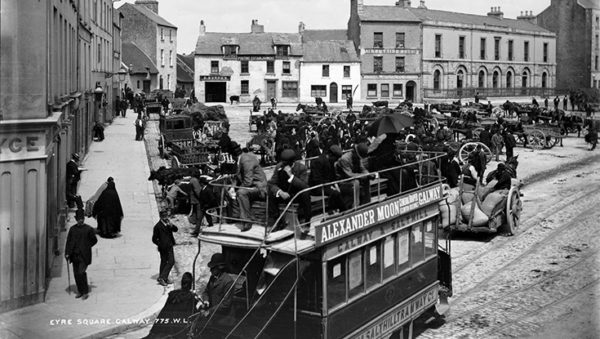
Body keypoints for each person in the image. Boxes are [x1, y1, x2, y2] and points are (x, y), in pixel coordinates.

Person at [267, 149, 311, 234]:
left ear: (292, 161)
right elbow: (271, 183)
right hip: (285, 194)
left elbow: (304, 186)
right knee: (272, 194)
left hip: (297, 194)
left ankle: (307, 221)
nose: (284, 165)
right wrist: (280, 192)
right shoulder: (279, 167)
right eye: (283, 162)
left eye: (286, 163)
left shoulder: (301, 168)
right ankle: (275, 221)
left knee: (306, 194)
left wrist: (291, 175)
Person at [144, 272, 198, 339]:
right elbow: (193, 314)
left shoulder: (173, 295)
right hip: (177, 331)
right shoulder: (190, 297)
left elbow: (164, 312)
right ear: (190, 284)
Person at [65, 209, 98, 300]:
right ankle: (80, 291)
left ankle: (85, 291)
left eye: (82, 218)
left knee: (81, 272)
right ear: (76, 219)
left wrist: (87, 246)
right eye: (79, 218)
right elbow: (69, 242)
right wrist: (67, 253)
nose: (80, 220)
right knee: (76, 273)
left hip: (84, 256)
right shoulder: (73, 229)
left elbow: (94, 240)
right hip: (74, 255)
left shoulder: (88, 229)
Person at [234, 144, 267, 231]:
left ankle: (246, 221)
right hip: (253, 186)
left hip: (259, 187)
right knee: (233, 191)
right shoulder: (244, 158)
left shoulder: (246, 160)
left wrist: (237, 189)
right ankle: (232, 217)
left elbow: (248, 182)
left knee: (241, 193)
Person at [335, 142, 376, 210]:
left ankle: (367, 203)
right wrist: (363, 175)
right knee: (356, 183)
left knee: (366, 179)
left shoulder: (357, 158)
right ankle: (355, 207)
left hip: (354, 178)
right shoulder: (344, 159)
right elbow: (349, 175)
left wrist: (368, 174)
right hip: (343, 182)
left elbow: (362, 168)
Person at [200, 253, 235, 328]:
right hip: (213, 316)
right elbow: (206, 291)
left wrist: (209, 311)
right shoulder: (212, 278)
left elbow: (226, 304)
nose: (210, 270)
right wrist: (206, 300)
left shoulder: (228, 281)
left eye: (213, 268)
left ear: (220, 268)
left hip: (224, 319)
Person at [309, 145, 345, 213]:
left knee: (345, 188)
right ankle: (343, 210)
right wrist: (330, 186)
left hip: (327, 185)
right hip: (317, 187)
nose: (336, 160)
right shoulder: (318, 161)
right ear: (330, 155)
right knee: (335, 193)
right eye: (336, 158)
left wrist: (336, 185)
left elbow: (333, 177)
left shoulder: (330, 162)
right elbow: (316, 179)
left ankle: (343, 207)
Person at [153, 209, 178, 286]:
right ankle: (163, 278)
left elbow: (176, 229)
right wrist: (160, 244)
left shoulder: (168, 224)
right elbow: (154, 239)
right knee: (164, 262)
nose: (165, 217)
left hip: (169, 246)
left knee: (171, 261)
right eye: (163, 216)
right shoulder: (157, 226)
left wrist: (172, 225)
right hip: (163, 247)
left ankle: (163, 277)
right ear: (161, 217)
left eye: (166, 216)